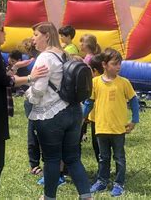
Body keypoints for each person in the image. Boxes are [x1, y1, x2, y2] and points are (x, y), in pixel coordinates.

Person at [0, 17, 47, 200]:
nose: (4, 32)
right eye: (1, 29)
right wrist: (31, 77)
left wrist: (15, 67)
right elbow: (5, 81)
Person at [25, 22, 92, 200]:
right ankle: (86, 196)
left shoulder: (44, 58)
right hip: (73, 111)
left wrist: (28, 94)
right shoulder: (65, 54)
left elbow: (38, 91)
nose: (33, 39)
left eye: (36, 35)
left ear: (46, 35)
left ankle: (49, 198)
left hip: (52, 115)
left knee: (52, 159)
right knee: (73, 158)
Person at [84, 48, 140, 197]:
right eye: (115, 64)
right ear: (104, 64)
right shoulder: (95, 82)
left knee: (119, 158)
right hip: (101, 127)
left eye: (119, 64)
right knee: (103, 157)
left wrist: (134, 120)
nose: (118, 67)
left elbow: (134, 101)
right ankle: (102, 181)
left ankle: (119, 183)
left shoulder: (124, 83)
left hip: (118, 129)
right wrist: (81, 118)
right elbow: (89, 102)